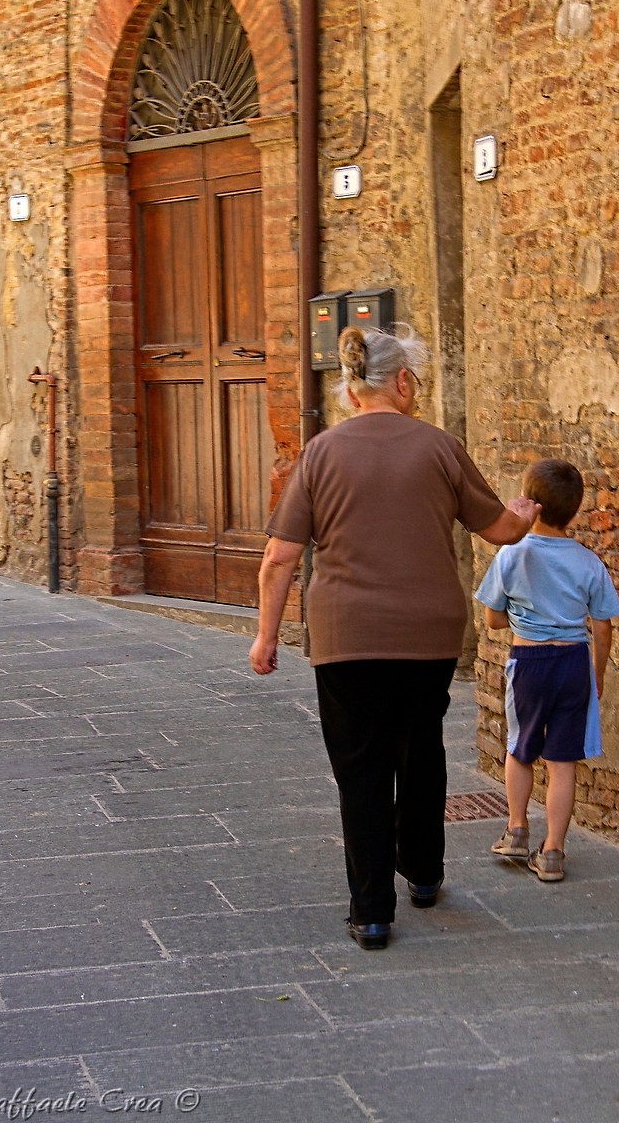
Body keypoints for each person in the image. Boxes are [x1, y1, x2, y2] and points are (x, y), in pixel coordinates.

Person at [248, 324, 540, 949]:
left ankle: (372, 911)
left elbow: (279, 558)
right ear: (402, 382)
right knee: (421, 747)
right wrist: (525, 513)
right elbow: (500, 532)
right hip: (428, 634)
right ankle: (426, 873)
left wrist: (266, 636)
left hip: (346, 636)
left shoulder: (320, 454)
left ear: (354, 391)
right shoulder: (440, 447)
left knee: (362, 768)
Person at [475, 457, 619, 882]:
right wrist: (598, 675)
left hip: (530, 663)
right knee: (562, 761)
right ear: (574, 509)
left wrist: (524, 618)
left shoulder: (512, 555)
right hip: (574, 663)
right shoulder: (588, 562)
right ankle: (554, 852)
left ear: (531, 504)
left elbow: (492, 619)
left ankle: (517, 830)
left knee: (520, 746)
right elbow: (603, 626)